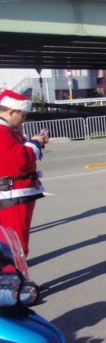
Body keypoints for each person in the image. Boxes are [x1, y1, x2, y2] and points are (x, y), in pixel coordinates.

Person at [0, 90, 48, 258]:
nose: (24, 119)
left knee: (14, 240)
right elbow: (20, 160)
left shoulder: (9, 131)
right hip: (13, 194)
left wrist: (35, 144)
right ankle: (16, 273)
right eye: (23, 115)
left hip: (15, 192)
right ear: (11, 111)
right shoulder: (3, 132)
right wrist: (35, 143)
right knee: (16, 242)